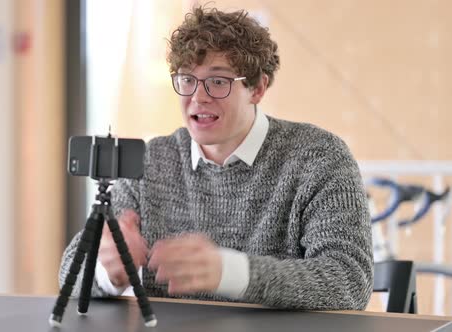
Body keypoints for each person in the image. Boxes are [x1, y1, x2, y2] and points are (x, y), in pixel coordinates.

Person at [59, 6, 373, 310]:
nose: (198, 96)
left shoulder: (318, 157)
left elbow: (348, 282)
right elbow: (69, 277)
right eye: (187, 79)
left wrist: (230, 272)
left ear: (258, 88)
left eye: (218, 81)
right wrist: (106, 271)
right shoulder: (152, 160)